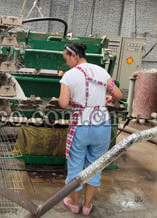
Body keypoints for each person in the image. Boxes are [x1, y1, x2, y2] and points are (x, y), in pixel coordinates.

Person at [58, 43, 122, 215]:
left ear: (74, 56)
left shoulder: (69, 76)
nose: (67, 63)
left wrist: (72, 99)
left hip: (81, 125)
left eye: (67, 59)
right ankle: (87, 206)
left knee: (76, 165)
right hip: (102, 125)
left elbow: (63, 103)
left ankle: (73, 204)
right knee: (96, 165)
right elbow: (118, 95)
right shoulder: (101, 71)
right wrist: (106, 100)